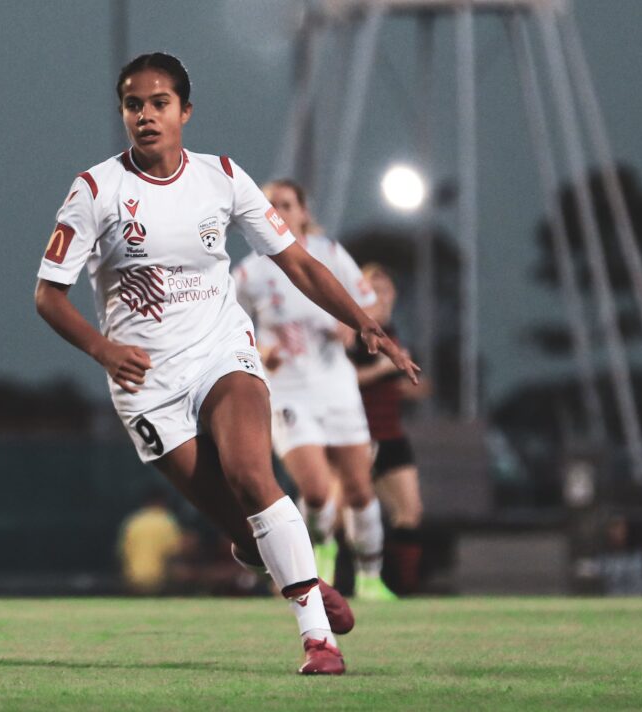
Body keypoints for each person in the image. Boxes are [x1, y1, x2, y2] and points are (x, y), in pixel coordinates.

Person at [34, 52, 419, 675]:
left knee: (251, 473)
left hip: (222, 353)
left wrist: (365, 323)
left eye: (160, 103)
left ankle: (318, 639)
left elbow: (298, 262)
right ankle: (300, 575)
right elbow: (48, 295)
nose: (146, 115)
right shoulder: (96, 190)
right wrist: (103, 348)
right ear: (123, 113)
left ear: (185, 111)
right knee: (244, 532)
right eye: (134, 104)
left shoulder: (223, 177)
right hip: (146, 385)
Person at [232, 180, 395, 601]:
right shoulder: (249, 272)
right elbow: (228, 326)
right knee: (318, 491)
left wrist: (354, 320)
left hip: (337, 387)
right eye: (270, 205)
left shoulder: (329, 255)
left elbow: (371, 302)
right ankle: (319, 554)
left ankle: (370, 579)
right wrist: (261, 348)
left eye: (286, 204)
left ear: (303, 212)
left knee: (360, 490)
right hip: (288, 393)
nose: (278, 211)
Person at [348, 264, 427, 595]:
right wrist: (381, 370)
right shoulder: (352, 331)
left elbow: (412, 386)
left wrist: (410, 384)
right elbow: (344, 377)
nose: (378, 293)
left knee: (410, 512)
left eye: (384, 287)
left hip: (391, 434)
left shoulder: (392, 333)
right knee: (343, 513)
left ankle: (402, 588)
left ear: (393, 294)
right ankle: (336, 582)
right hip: (355, 434)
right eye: (370, 287)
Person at [117, 489, 185, 594]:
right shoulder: (166, 521)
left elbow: (121, 554)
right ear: (162, 501)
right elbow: (175, 553)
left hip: (132, 580)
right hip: (158, 581)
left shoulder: (133, 522)